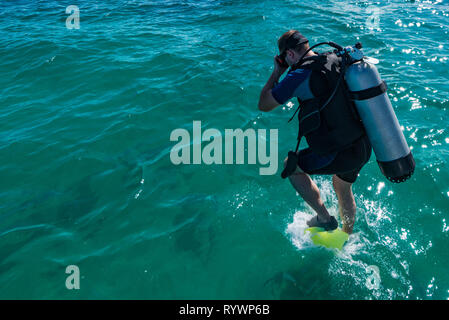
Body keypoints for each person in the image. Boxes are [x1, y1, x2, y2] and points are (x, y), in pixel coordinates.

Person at [258, 30, 372, 234]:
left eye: (286, 59)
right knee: (342, 187)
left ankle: (324, 219)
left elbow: (264, 104)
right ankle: (347, 234)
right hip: (363, 143)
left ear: (290, 55)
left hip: (341, 150)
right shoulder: (335, 59)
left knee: (291, 167)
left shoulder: (299, 75)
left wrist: (277, 71)